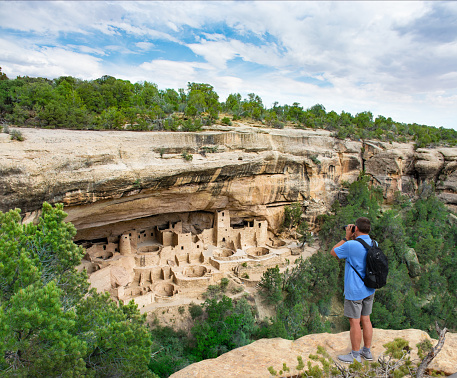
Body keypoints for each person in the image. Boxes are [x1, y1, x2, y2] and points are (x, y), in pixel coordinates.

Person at [330, 217, 375, 363]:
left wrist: (346, 237)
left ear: (356, 228)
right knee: (366, 319)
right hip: (369, 289)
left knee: (355, 322)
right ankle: (366, 351)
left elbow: (334, 252)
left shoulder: (351, 245)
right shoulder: (374, 243)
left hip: (355, 290)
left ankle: (355, 355)